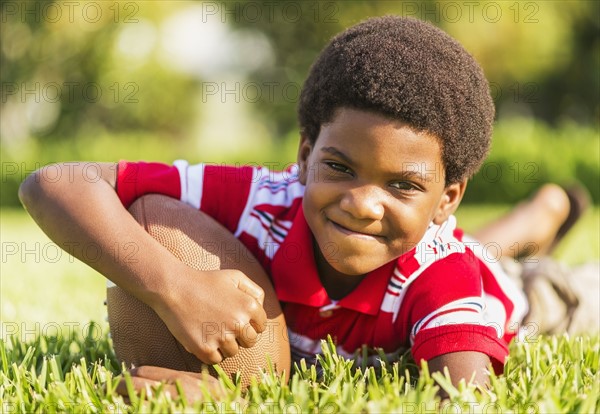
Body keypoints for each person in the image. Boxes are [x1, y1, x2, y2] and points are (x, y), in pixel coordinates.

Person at [18, 16, 596, 400]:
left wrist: (237, 402)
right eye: (340, 167)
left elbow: (463, 402)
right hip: (429, 247)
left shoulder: (447, 282)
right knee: (444, 243)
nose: (363, 203)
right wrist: (173, 286)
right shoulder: (262, 198)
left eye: (402, 185)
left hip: (519, 295)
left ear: (448, 197)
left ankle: (539, 217)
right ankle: (536, 215)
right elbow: (54, 182)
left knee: (517, 275)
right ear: (304, 155)